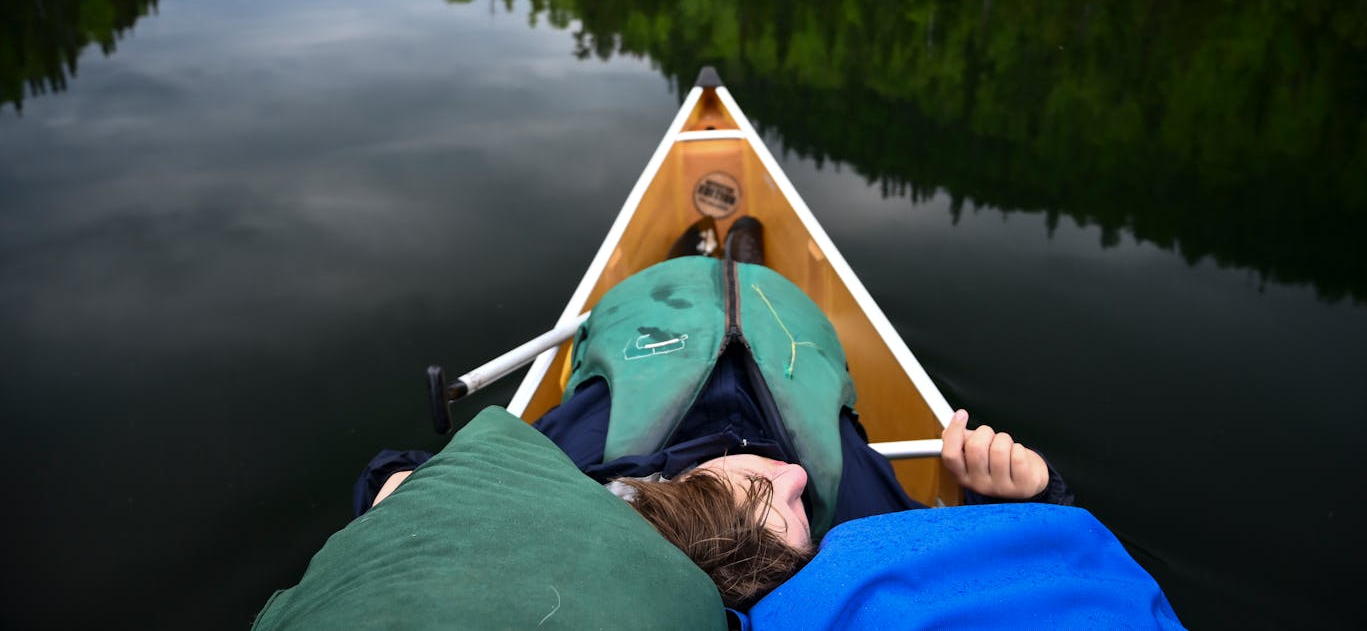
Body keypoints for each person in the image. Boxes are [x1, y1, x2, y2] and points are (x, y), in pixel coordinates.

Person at [357, 216, 1072, 612]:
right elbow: (993, 558)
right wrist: (1023, 493)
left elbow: (392, 477)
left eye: (758, 488)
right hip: (783, 322)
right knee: (752, 247)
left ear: (675, 500)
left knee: (692, 257)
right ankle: (741, 252)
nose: (796, 475)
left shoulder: (574, 473)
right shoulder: (859, 523)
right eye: (800, 517)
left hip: (654, 318)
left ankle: (699, 249)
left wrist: (405, 496)